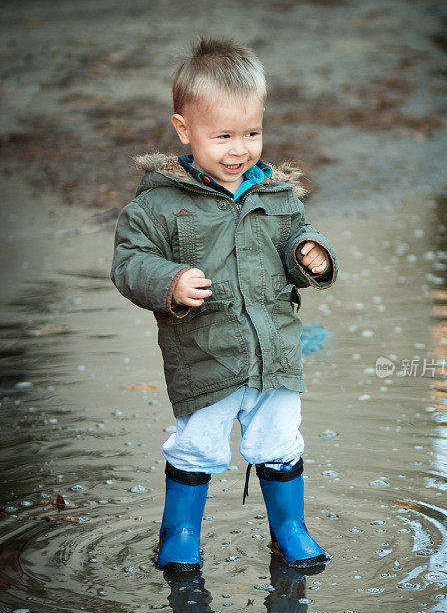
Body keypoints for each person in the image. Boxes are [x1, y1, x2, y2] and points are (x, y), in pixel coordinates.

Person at [111, 36, 338, 573]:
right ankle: (181, 534)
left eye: (252, 133)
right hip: (205, 355)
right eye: (223, 136)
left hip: (273, 355)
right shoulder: (161, 204)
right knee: (198, 446)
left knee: (281, 441)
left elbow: (295, 245)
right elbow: (128, 262)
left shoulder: (278, 195)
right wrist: (170, 281)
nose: (240, 149)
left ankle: (290, 530)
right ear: (185, 130)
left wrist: (312, 258)